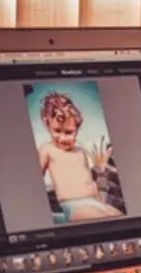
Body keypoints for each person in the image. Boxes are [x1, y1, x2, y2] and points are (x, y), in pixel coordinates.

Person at [37, 91, 123, 222]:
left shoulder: (81, 152)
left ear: (77, 128)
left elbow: (89, 179)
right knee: (100, 219)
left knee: (118, 215)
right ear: (47, 124)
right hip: (74, 206)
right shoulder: (48, 149)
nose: (63, 137)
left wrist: (100, 170)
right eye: (57, 131)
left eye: (69, 132)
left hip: (95, 202)